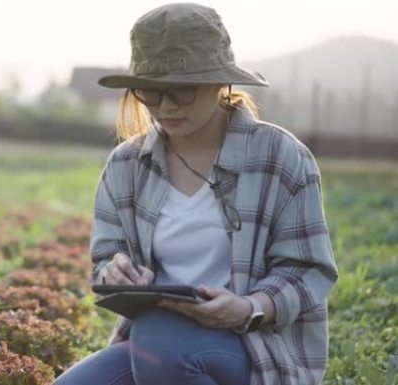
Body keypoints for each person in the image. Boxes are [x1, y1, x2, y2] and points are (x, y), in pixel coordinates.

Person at [54, 3, 338, 385]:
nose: (165, 108)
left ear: (220, 83)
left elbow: (308, 269)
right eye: (150, 94)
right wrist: (114, 269)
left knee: (161, 339)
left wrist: (248, 308)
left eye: (182, 91)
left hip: (257, 344)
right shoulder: (126, 166)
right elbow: (106, 255)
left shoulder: (280, 157)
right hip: (153, 346)